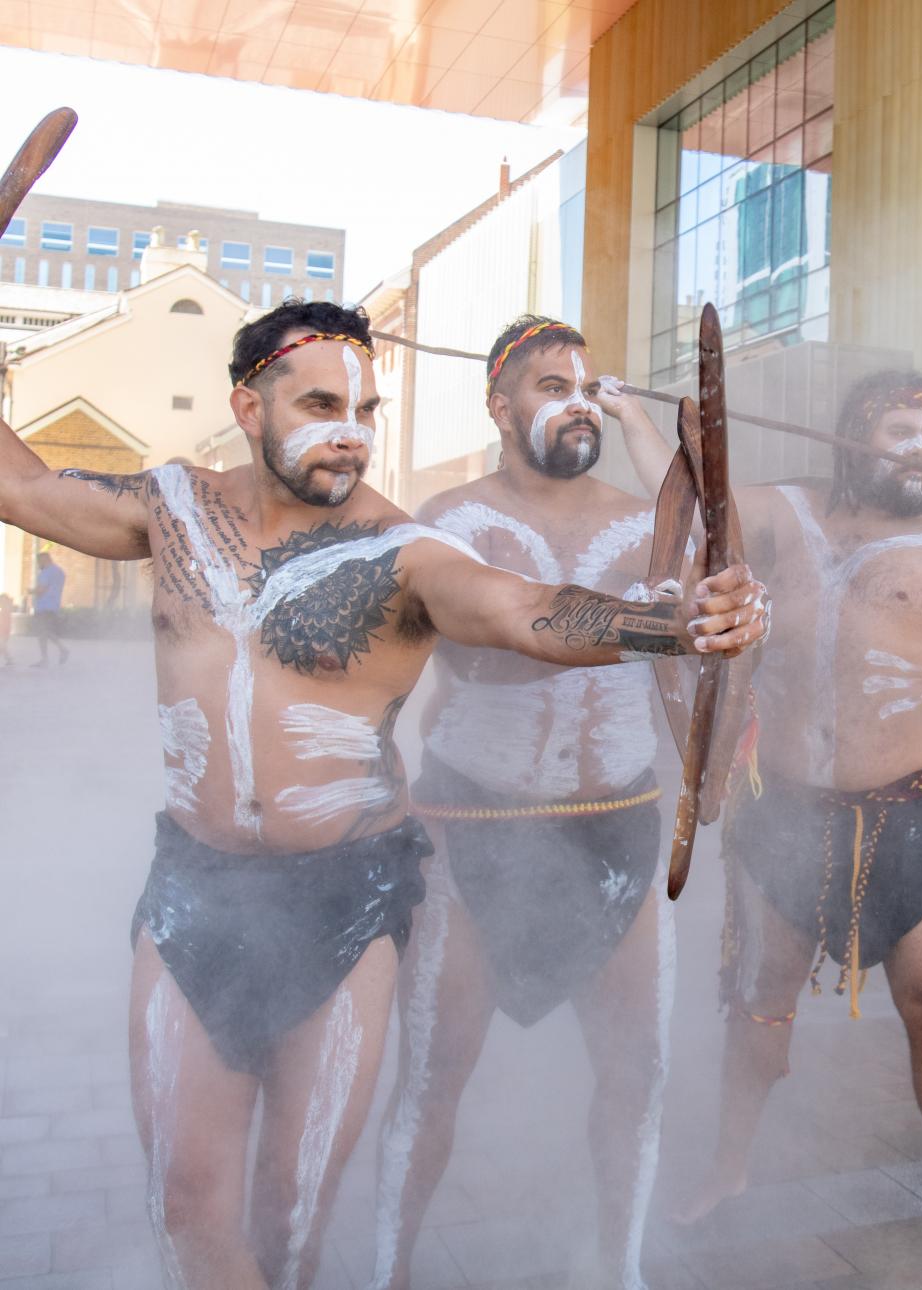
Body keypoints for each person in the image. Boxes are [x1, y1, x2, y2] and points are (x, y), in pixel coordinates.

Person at [0, 298, 765, 1290]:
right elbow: (18, 486)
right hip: (191, 891)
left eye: (366, 409)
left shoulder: (401, 552)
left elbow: (529, 612)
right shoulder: (174, 510)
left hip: (345, 899)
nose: (349, 433)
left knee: (290, 1214)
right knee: (186, 1204)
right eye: (321, 402)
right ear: (247, 402)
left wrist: (674, 626)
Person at [367, 315, 755, 1290]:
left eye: (589, 387)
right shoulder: (447, 522)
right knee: (428, 1077)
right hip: (473, 834)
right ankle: (385, 1272)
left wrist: (731, 618)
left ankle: (617, 1272)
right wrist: (671, 624)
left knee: (640, 1075)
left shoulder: (643, 522)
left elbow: (706, 604)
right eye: (552, 385)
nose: (576, 401)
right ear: (499, 407)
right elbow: (507, 626)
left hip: (611, 832)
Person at [623, 368, 922, 1257]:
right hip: (785, 814)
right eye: (898, 433)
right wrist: (633, 413)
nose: (918, 454)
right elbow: (697, 507)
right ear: (851, 437)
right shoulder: (787, 513)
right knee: (759, 999)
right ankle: (731, 1164)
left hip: (915, 812)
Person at [30, 549, 68, 666]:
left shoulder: (46, 572)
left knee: (43, 632)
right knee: (45, 631)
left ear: (44, 560)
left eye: (39, 562)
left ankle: (48, 657)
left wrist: (31, 591)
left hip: (43, 605)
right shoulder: (60, 571)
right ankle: (59, 651)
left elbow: (41, 589)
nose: (38, 565)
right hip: (54, 605)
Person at [0, 591, 13, 665]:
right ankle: (9, 660)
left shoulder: (6, 612)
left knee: (2, 646)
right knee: (2, 647)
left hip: (4, 633)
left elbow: (6, 624)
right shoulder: (4, 611)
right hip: (2, 632)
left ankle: (10, 660)